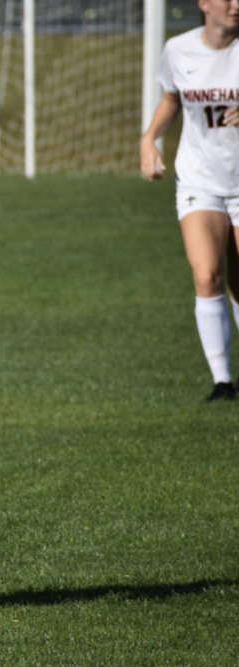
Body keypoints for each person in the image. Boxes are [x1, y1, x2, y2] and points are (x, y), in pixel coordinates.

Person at [140, 0, 239, 402]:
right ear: (204, 4)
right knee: (206, 276)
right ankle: (222, 383)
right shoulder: (178, 50)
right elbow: (172, 99)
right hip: (200, 178)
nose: (235, 5)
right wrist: (149, 139)